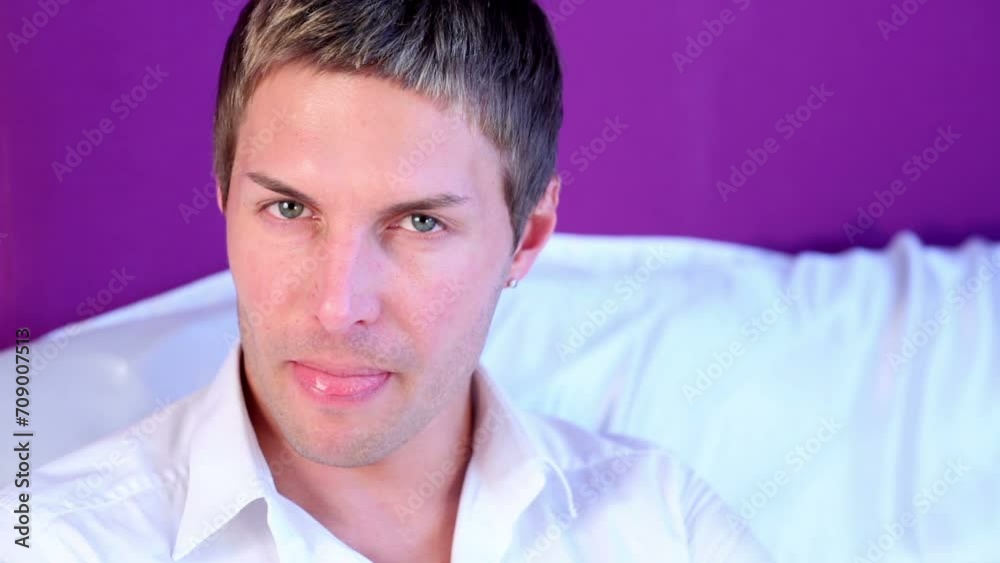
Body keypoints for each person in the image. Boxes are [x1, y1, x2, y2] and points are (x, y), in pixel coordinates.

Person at [8, 1, 775, 561]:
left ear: (528, 237)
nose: (338, 307)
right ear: (224, 197)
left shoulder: (662, 525)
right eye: (288, 208)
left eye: (420, 223)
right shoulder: (59, 542)